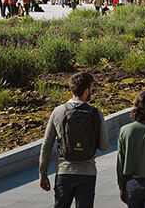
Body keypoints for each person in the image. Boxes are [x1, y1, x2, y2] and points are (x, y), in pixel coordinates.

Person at [39, 71, 104, 208]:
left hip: (64, 171)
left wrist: (43, 174)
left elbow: (46, 145)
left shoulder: (58, 112)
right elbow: (104, 146)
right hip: (87, 172)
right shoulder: (95, 114)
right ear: (87, 91)